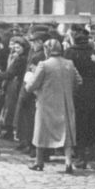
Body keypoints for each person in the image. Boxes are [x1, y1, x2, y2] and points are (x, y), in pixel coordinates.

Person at [25, 39, 82, 173]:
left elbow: (32, 85)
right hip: (66, 103)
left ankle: (39, 161)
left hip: (46, 102)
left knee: (41, 131)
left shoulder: (43, 65)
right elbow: (79, 81)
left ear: (47, 50)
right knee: (66, 132)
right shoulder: (69, 64)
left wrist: (28, 83)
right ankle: (68, 162)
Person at [64, 25, 95, 167]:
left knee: (78, 124)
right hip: (92, 92)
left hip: (77, 92)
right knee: (91, 123)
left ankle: (80, 156)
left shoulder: (70, 53)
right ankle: (92, 155)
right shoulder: (93, 53)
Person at [15, 27, 49, 153]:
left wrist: (25, 93)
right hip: (40, 93)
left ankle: (32, 146)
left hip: (31, 92)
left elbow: (30, 77)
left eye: (34, 41)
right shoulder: (41, 55)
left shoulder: (37, 57)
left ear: (40, 42)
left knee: (30, 120)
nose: (32, 44)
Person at [0, 36, 29, 142]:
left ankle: (9, 131)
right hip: (14, 85)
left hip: (15, 85)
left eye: (18, 47)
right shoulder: (18, 57)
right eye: (14, 47)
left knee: (11, 108)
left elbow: (10, 73)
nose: (15, 50)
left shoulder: (20, 59)